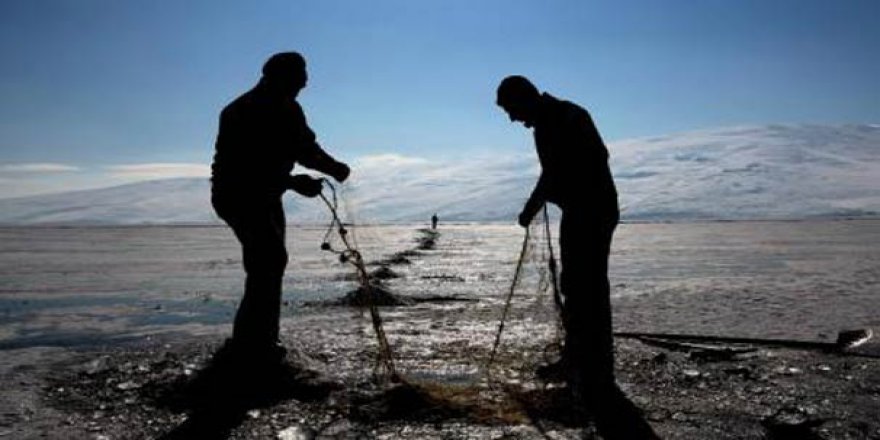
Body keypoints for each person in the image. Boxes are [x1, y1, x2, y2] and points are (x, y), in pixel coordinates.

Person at [496, 75, 658, 439]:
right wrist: (537, 203)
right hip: (577, 210)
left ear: (525, 98)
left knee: (589, 289)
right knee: (574, 285)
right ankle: (578, 360)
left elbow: (583, 161)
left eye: (511, 110)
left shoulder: (569, 116)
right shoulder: (545, 125)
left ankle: (596, 371)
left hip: (595, 210)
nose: (511, 119)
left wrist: (536, 202)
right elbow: (550, 172)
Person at [210, 52, 350, 372]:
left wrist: (333, 168)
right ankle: (250, 348)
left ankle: (260, 342)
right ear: (278, 76)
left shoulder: (290, 108)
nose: (305, 81)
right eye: (300, 75)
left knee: (271, 263)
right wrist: (291, 181)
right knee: (268, 262)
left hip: (267, 194)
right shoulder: (241, 110)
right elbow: (243, 165)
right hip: (236, 194)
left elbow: (304, 149)